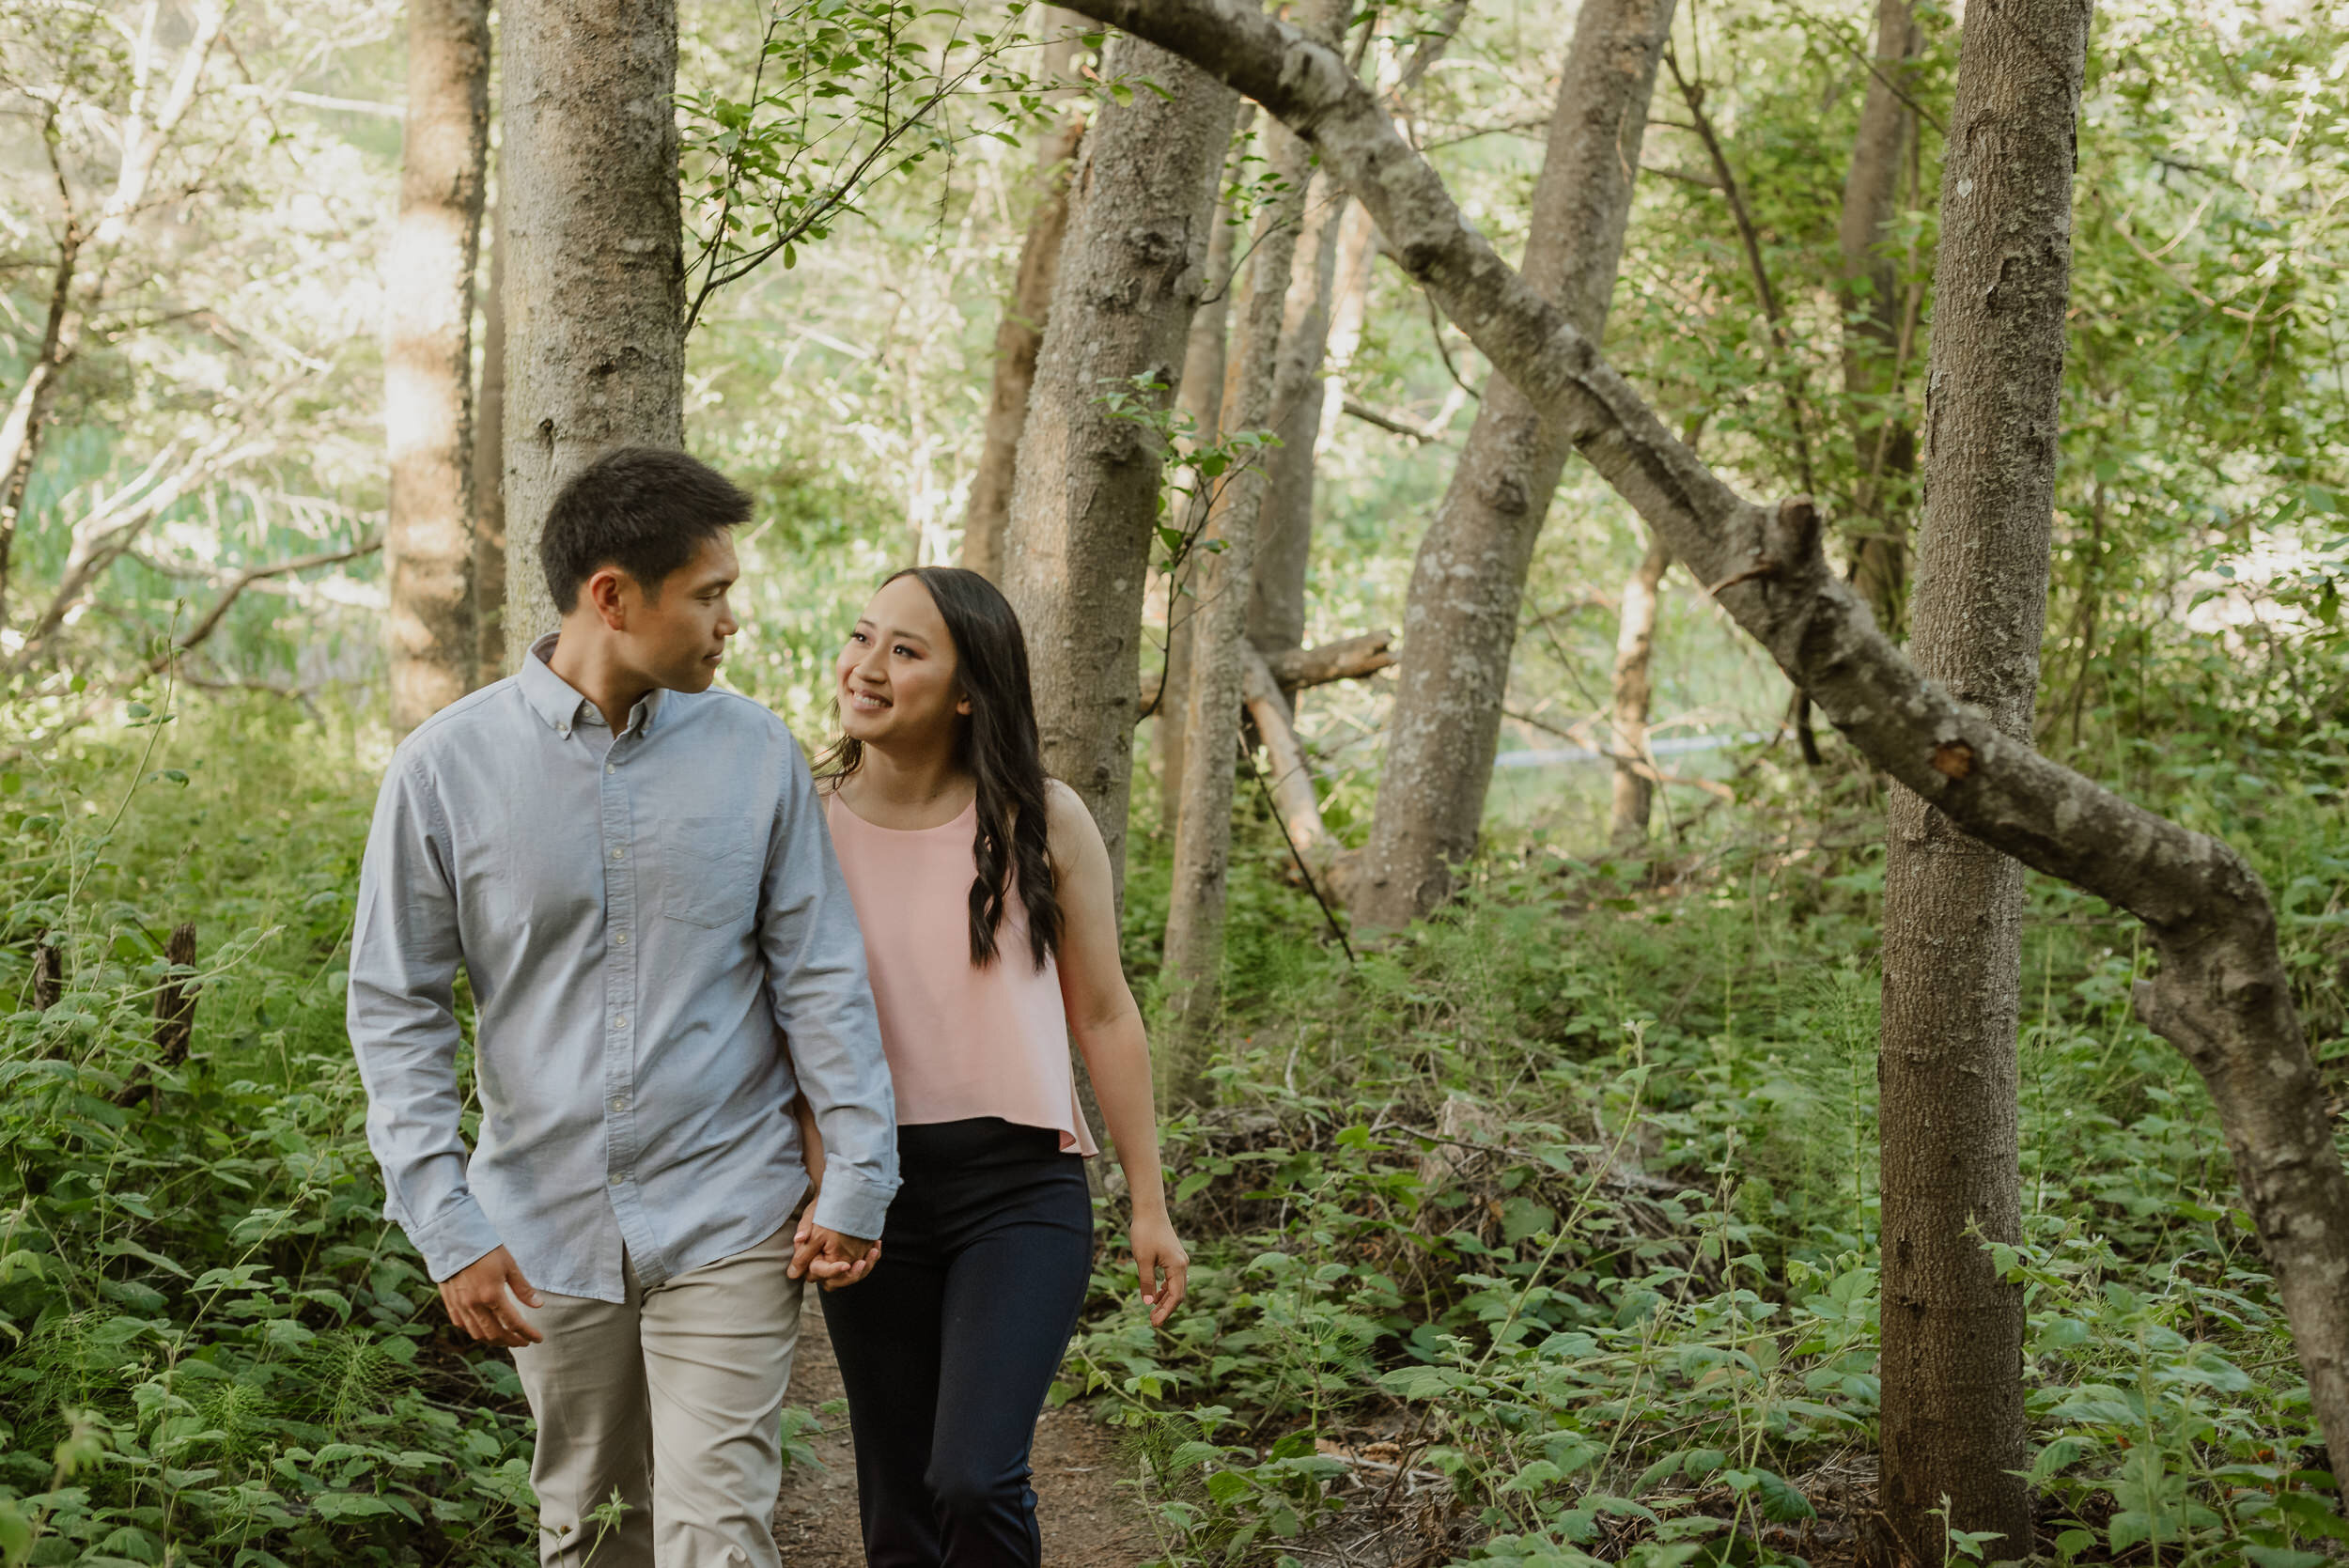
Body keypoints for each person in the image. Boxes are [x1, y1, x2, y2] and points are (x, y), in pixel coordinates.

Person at [347, 446, 897, 1568]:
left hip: (731, 1209)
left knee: (719, 1533)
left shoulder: (755, 754)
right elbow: (395, 1006)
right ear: (612, 595)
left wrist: (858, 1168)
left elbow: (820, 974)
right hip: (543, 1226)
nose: (728, 623)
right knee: (593, 1530)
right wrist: (446, 1225)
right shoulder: (443, 770)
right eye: (709, 595)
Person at [798, 566, 1190, 1568]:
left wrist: (1148, 1201)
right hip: (870, 1192)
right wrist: (819, 1183)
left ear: (970, 688)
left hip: (1020, 1191)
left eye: (906, 649)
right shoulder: (805, 821)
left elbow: (1102, 1012)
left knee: (973, 1476)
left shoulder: (1041, 818)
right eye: (862, 635)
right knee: (896, 1506)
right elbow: (776, 1024)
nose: (867, 666)